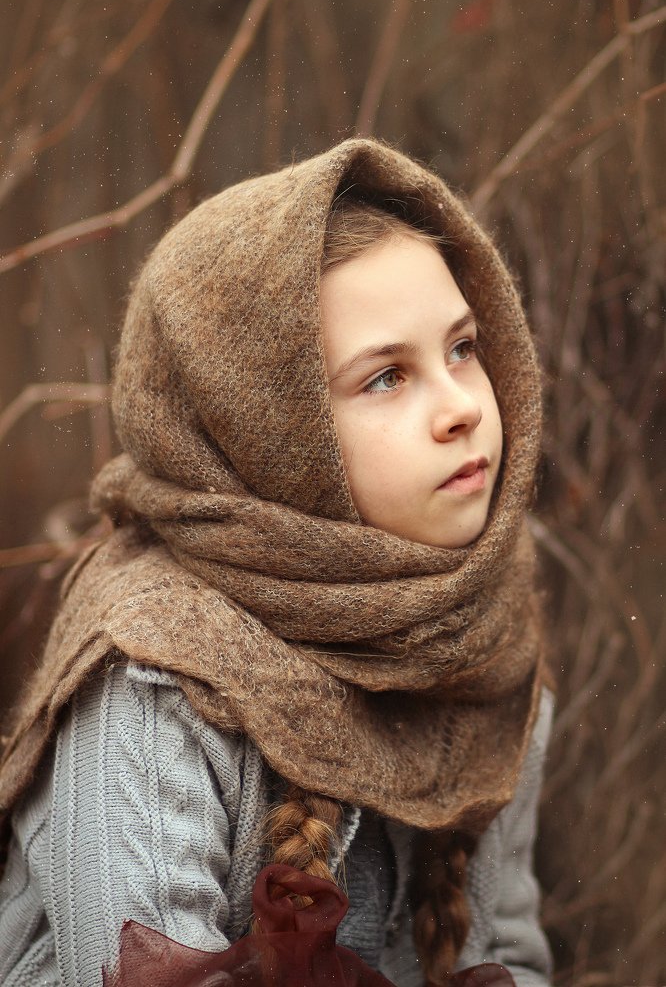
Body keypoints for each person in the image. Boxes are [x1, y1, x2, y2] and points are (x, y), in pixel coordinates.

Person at [0, 138, 554, 987]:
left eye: (462, 348)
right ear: (271, 434)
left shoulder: (482, 629)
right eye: (385, 378)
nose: (461, 409)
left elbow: (506, 952)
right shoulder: (152, 680)